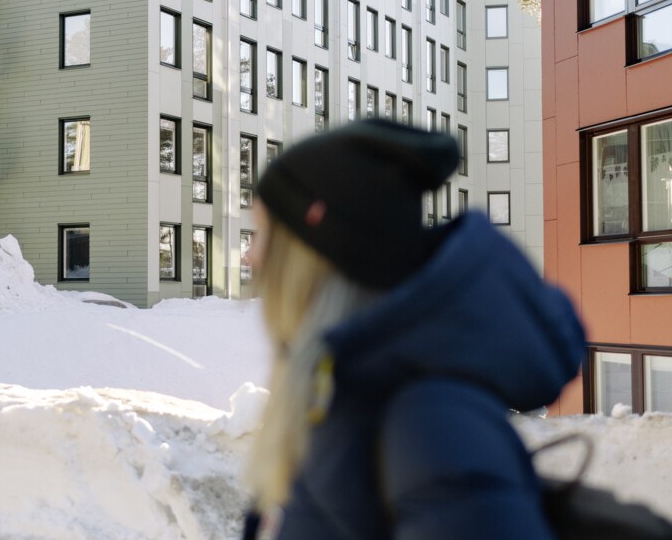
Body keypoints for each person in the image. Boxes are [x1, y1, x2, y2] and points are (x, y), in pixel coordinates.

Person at [241, 118, 586, 539]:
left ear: (317, 258)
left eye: (261, 232)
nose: (249, 257)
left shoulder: (429, 425)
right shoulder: (345, 386)